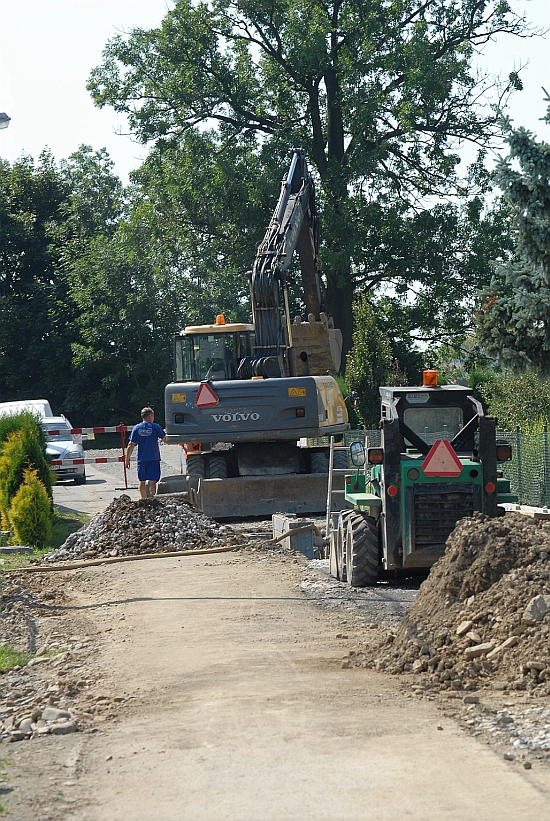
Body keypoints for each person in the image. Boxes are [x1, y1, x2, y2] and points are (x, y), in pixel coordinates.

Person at [125, 407, 167, 499]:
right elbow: (165, 439)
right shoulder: (155, 427)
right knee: (153, 481)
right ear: (150, 415)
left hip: (141, 459)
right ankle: (152, 499)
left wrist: (127, 459)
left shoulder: (137, 428)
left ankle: (143, 500)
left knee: (142, 481)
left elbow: (130, 444)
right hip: (153, 458)